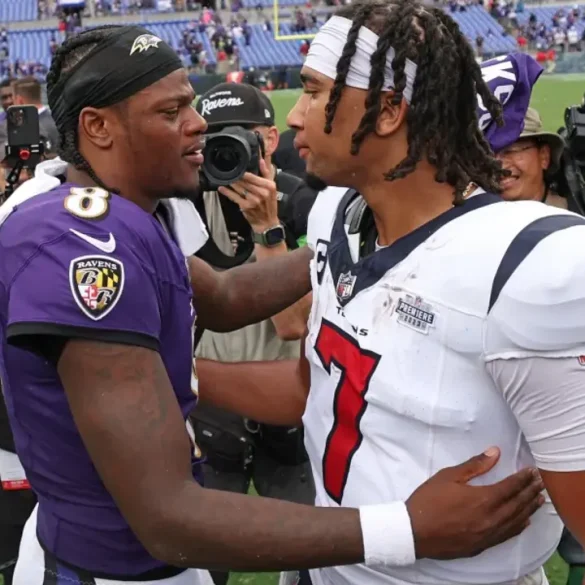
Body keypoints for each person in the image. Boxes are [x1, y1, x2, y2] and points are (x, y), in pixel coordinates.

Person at [0, 24, 543, 585]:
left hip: (150, 558)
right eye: (171, 111)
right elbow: (168, 516)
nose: (198, 123)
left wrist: (383, 237)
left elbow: (224, 297)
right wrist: (408, 530)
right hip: (107, 567)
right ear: (98, 127)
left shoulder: (126, 212)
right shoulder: (79, 243)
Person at [252, 0, 585, 582]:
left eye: (312, 91)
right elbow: (322, 387)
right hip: (327, 568)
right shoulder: (337, 214)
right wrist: (183, 379)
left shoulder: (531, 263)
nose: (296, 116)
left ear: (387, 111)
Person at [193, 81, 314, 585]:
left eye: (240, 136)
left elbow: (293, 325)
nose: (227, 152)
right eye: (213, 140)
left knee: (313, 555)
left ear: (269, 139)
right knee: (202, 562)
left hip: (283, 408)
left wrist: (268, 227)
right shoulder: (182, 202)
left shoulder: (301, 199)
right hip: (207, 411)